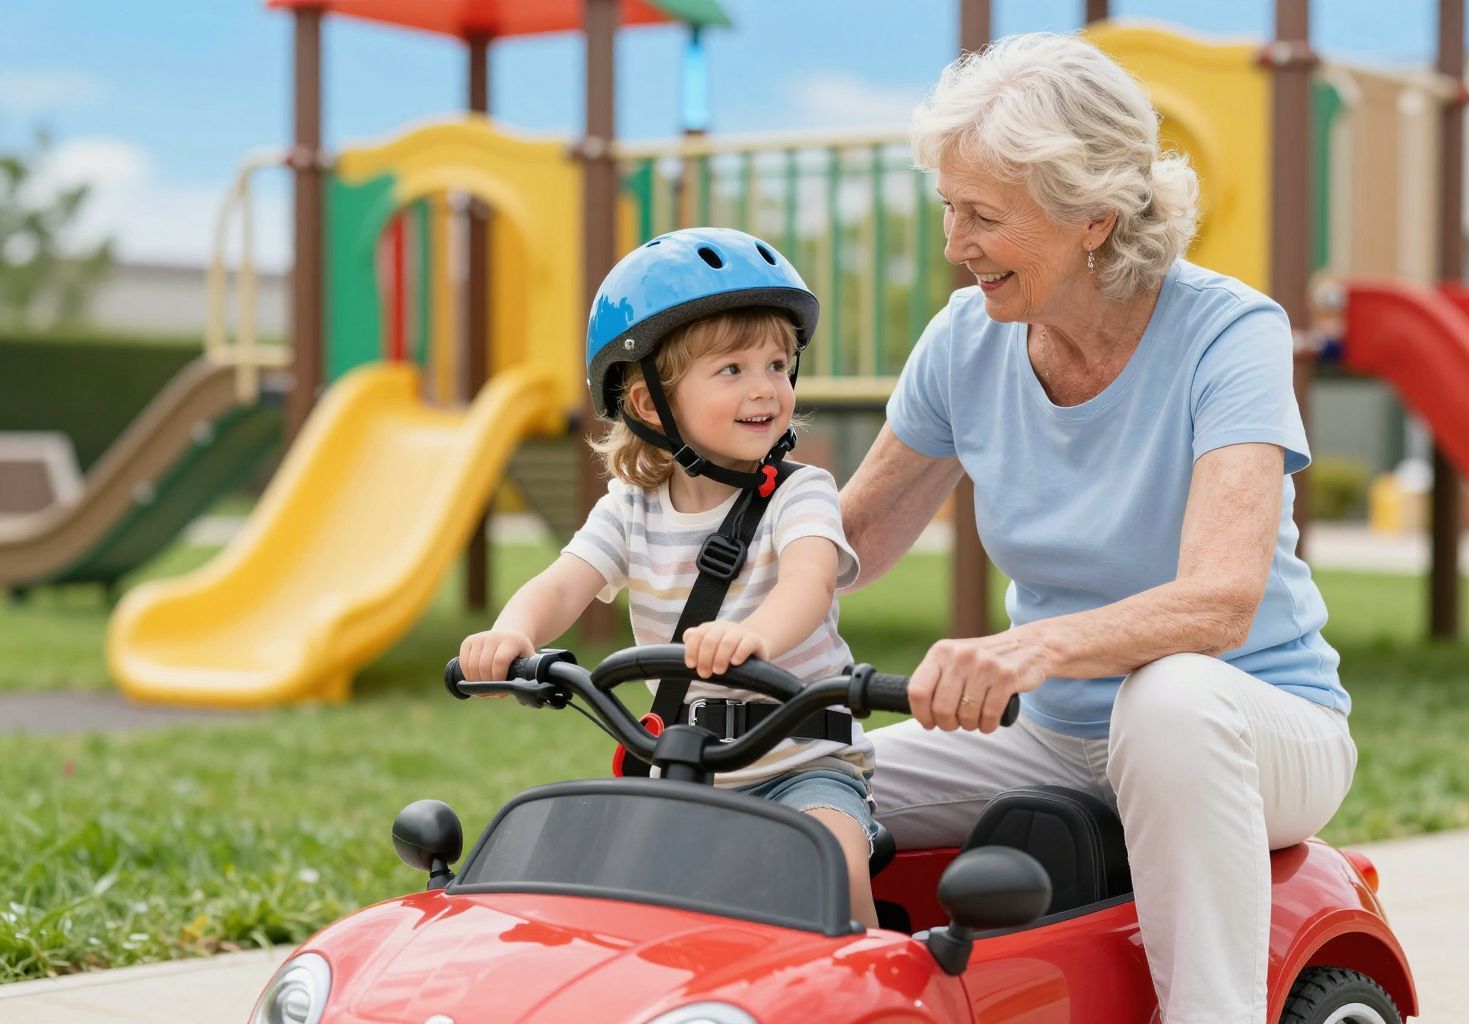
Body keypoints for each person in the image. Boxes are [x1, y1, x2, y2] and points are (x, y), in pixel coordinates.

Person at [837, 33, 1357, 1023]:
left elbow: (1223, 599)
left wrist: (1030, 646)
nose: (955, 242)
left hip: (1250, 722)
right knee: (802, 771)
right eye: (950, 207)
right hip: (1054, 737)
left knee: (1166, 700)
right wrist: (691, 569)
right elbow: (848, 541)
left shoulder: (1230, 334)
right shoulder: (966, 341)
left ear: (1094, 219)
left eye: (983, 215)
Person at [458, 227, 879, 927]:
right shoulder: (630, 509)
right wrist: (512, 632)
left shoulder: (801, 492)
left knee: (833, 863)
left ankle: (869, 977)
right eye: (732, 370)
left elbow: (808, 585)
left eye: (777, 364)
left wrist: (752, 637)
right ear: (651, 403)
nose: (766, 389)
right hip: (684, 770)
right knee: (616, 900)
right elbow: (563, 581)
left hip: (800, 767)